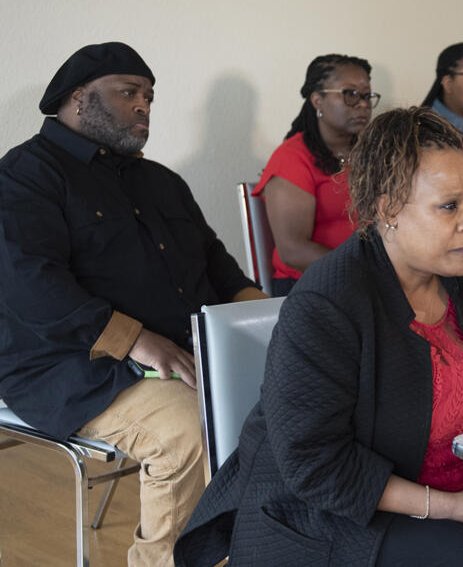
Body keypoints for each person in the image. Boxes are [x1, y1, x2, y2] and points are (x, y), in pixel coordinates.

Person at [174, 107, 463, 567]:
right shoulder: (329, 302)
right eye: (448, 206)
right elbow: (315, 465)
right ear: (388, 208)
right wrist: (454, 507)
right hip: (336, 512)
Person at [0, 42, 266, 565]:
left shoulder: (160, 181)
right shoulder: (25, 175)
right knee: (189, 432)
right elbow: (28, 283)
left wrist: (268, 321)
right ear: (78, 98)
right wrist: (139, 342)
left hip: (180, 355)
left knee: (298, 399)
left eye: (149, 95)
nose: (144, 105)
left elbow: (217, 265)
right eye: (128, 93)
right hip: (70, 365)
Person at [253, 54, 380, 296]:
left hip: (371, 280)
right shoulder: (292, 158)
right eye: (350, 94)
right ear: (317, 100)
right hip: (314, 287)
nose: (362, 104)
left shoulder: (370, 152)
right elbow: (293, 250)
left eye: (366, 96)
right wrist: (366, 271)